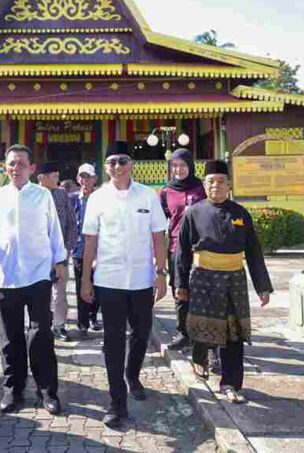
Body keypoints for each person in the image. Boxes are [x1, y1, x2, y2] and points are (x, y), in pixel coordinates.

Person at [0, 144, 67, 415]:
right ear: (5, 167)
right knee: (9, 337)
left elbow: (54, 230)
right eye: (12, 163)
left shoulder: (42, 196)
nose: (16, 168)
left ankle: (47, 390)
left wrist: (59, 261)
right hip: (5, 277)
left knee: (41, 335)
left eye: (21, 164)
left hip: (38, 275)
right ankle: (13, 390)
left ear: (31, 168)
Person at [80, 141, 168, 429]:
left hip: (142, 279)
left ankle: (132, 375)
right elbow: (90, 240)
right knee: (113, 341)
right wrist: (85, 280)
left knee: (141, 334)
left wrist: (161, 272)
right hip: (109, 279)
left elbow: (158, 236)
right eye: (112, 162)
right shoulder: (97, 199)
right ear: (105, 167)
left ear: (132, 164)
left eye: (123, 161)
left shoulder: (147, 196)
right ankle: (117, 403)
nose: (118, 167)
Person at [175, 160, 272, 404]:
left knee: (233, 334)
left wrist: (262, 286)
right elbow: (182, 251)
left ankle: (230, 383)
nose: (215, 185)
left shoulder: (241, 214)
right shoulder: (193, 213)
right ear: (204, 185)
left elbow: (253, 251)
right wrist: (180, 284)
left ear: (229, 185)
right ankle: (200, 359)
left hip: (234, 281)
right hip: (203, 278)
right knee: (201, 327)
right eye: (211, 181)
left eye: (221, 181)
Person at [159, 149, 206, 351]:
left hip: (200, 247)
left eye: (183, 165)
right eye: (175, 166)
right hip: (176, 247)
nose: (178, 169)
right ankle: (183, 333)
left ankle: (203, 336)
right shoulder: (165, 191)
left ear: (190, 166)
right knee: (179, 290)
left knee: (201, 292)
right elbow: (160, 222)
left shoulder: (201, 188)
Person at [36, 161, 78, 341]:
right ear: (41, 178)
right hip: (37, 255)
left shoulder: (61, 195)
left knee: (59, 291)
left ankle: (59, 325)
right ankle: (40, 325)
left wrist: (67, 249)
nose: (58, 180)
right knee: (38, 292)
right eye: (54, 177)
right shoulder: (32, 195)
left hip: (59, 254)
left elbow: (71, 223)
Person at [71, 163, 102, 335]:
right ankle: (82, 323)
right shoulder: (72, 198)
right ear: (78, 179)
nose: (85, 180)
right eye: (82, 176)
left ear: (95, 179)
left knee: (96, 284)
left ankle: (93, 316)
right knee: (81, 285)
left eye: (88, 176)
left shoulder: (100, 198)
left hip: (99, 250)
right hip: (79, 249)